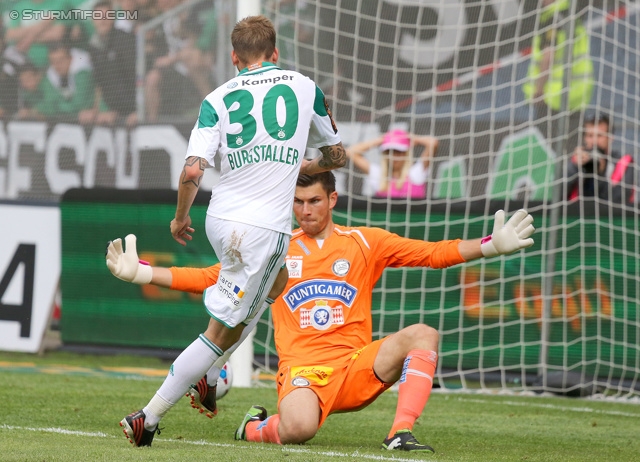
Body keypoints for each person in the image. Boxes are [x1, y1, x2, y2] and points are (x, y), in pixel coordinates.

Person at [108, 172, 535, 452]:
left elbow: (432, 253)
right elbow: (207, 276)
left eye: (313, 200)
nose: (305, 210)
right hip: (302, 371)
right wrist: (142, 273)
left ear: (332, 198)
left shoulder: (365, 242)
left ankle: (400, 432)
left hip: (355, 364)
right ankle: (256, 427)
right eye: (297, 202)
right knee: (298, 431)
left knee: (424, 334)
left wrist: (489, 246)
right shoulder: (277, 247)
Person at [117, 15, 346, 447]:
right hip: (262, 227)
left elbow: (192, 169)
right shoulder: (304, 86)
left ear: (235, 58)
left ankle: (207, 374)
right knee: (220, 331)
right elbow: (336, 155)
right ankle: (148, 417)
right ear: (276, 53)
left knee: (279, 281)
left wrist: (181, 217)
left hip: (222, 219)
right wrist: (305, 167)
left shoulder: (217, 98)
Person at [522, 0, 593, 139]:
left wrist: (538, 91)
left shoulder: (552, 19)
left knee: (549, 150)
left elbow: (548, 56)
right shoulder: (572, 13)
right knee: (574, 146)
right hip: (576, 94)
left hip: (553, 98)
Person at [79, 0, 137, 126]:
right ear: (93, 20)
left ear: (113, 19)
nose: (102, 20)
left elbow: (137, 78)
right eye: (98, 16)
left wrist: (137, 111)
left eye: (106, 16)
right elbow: (100, 83)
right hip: (113, 111)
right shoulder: (93, 47)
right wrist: (96, 110)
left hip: (133, 111)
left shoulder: (125, 41)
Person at [565, 113, 636, 205]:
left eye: (599, 135)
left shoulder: (623, 162)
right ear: (584, 138)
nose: (594, 141)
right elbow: (558, 196)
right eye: (590, 136)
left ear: (610, 138)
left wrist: (600, 174)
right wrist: (573, 167)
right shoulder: (577, 161)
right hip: (577, 216)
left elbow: (620, 200)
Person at [347, 128, 438, 199]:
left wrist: (409, 137)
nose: (394, 156)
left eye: (398, 152)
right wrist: (382, 139)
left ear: (406, 154)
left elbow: (433, 143)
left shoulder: (415, 173)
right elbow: (350, 152)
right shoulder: (379, 176)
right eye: (390, 152)